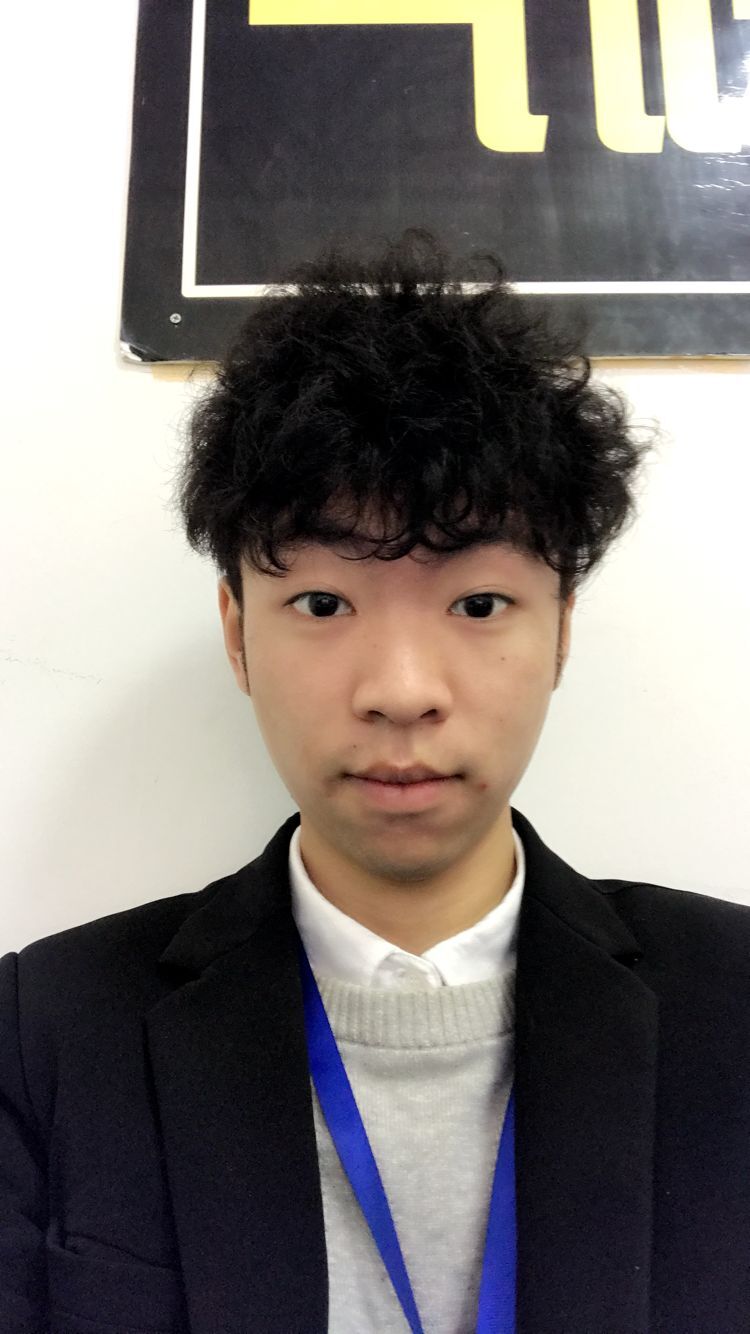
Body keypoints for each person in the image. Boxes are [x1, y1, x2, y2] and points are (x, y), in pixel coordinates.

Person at [2, 229, 749, 1334]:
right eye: (322, 603)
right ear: (237, 633)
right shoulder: (46, 1032)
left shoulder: (731, 1005)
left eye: (480, 603)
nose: (401, 691)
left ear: (560, 631)